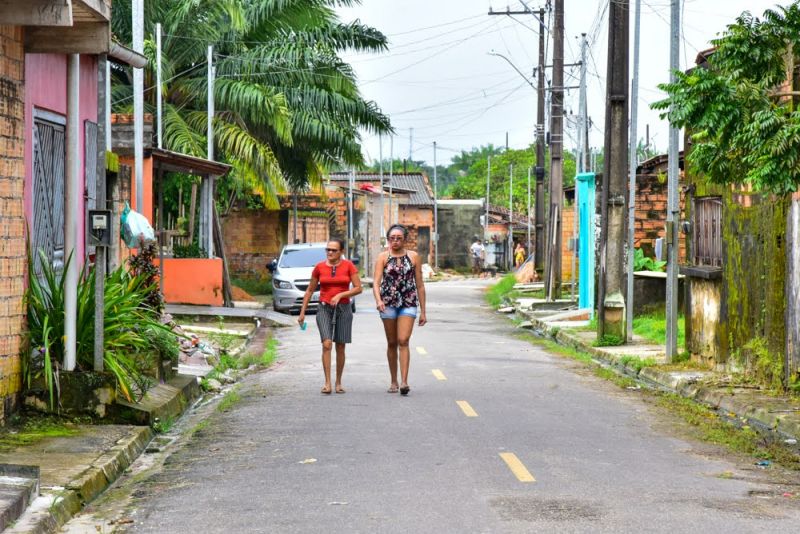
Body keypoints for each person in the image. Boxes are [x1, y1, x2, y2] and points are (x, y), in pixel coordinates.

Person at [298, 238, 362, 394]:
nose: (330, 252)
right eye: (328, 250)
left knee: (340, 345)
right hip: (324, 308)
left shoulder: (348, 266)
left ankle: (338, 382)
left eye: (334, 250)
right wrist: (302, 313)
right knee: (327, 344)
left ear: (341, 252)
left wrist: (341, 295)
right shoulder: (319, 267)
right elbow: (309, 291)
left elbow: (359, 288)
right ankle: (327, 383)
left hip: (344, 309)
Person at [373, 224, 427, 395]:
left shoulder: (413, 257)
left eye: (398, 238)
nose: (395, 241)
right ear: (388, 239)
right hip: (388, 303)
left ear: (405, 239)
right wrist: (379, 300)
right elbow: (376, 282)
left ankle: (404, 381)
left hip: (408, 302)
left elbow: (419, 284)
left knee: (403, 340)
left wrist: (423, 311)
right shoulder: (383, 257)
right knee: (392, 342)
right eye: (392, 238)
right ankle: (393, 380)